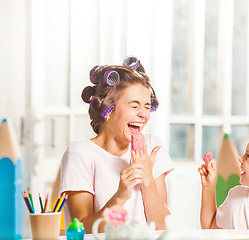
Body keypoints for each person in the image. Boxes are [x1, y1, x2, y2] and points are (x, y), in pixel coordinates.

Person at [59, 56, 174, 233]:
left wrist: (148, 182)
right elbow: (82, 229)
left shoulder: (151, 147)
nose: (143, 114)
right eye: (134, 106)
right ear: (108, 110)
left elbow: (162, 226)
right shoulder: (80, 153)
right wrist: (121, 195)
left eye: (147, 106)